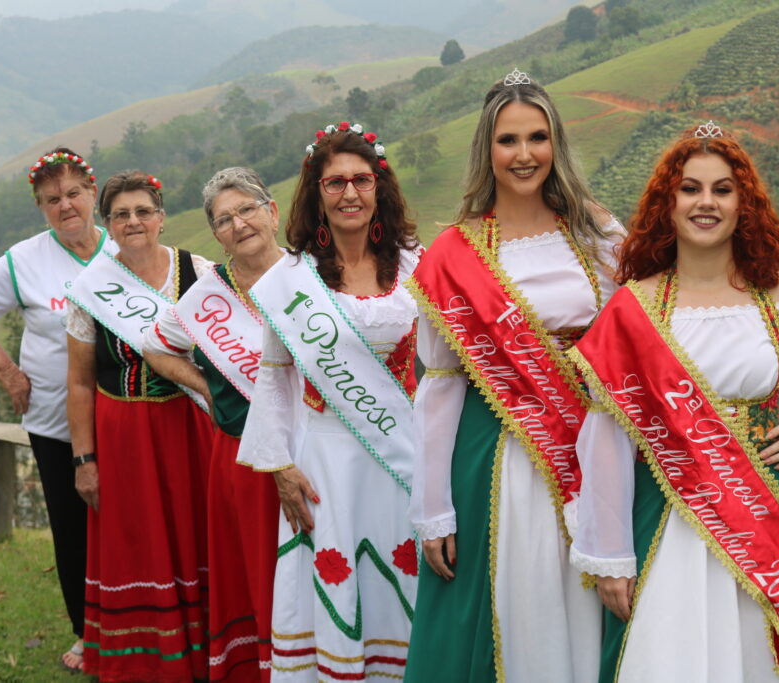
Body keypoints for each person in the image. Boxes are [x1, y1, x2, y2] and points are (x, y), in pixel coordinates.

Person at [567, 122, 779, 682]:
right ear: (668, 201)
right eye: (690, 188)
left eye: (722, 189)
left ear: (743, 204)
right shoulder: (633, 308)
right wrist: (609, 554)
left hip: (765, 513)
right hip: (665, 515)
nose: (706, 202)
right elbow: (606, 438)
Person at [404, 68, 621, 682]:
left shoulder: (597, 232)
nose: (524, 155)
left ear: (556, 143)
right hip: (502, 457)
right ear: (487, 150)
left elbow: (649, 326)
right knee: (519, 602)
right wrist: (435, 509)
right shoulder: (457, 253)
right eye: (508, 140)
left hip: (595, 446)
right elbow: (439, 386)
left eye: (537, 137)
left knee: (594, 594)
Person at [237, 122, 421, 681]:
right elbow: (272, 377)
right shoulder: (290, 278)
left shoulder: (417, 266)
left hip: (406, 455)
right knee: (339, 577)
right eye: (334, 182)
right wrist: (279, 467)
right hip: (324, 463)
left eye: (360, 180)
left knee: (405, 576)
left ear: (379, 187)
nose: (349, 194)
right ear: (316, 193)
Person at [0, 147, 112, 672]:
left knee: (130, 523)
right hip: (56, 423)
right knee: (73, 527)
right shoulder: (26, 259)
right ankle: (88, 633)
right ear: (40, 207)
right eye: (51, 200)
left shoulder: (124, 246)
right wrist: (7, 371)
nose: (65, 206)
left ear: (92, 192)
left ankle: (138, 624)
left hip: (128, 418)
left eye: (73, 194)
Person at [65, 170, 214, 682]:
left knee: (198, 538)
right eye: (121, 214)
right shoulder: (91, 289)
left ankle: (206, 656)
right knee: (138, 545)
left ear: (162, 217)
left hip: (191, 430)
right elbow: (80, 384)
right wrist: (85, 460)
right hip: (123, 436)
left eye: (143, 211)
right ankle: (146, 665)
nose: (134, 222)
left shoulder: (204, 273)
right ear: (107, 224)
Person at [141, 167, 284, 681]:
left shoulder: (312, 274)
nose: (239, 224)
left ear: (272, 211)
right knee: (257, 571)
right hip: (242, 458)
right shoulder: (205, 298)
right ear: (216, 234)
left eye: (246, 209)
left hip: (315, 454)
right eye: (223, 219)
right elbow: (156, 346)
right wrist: (204, 386)